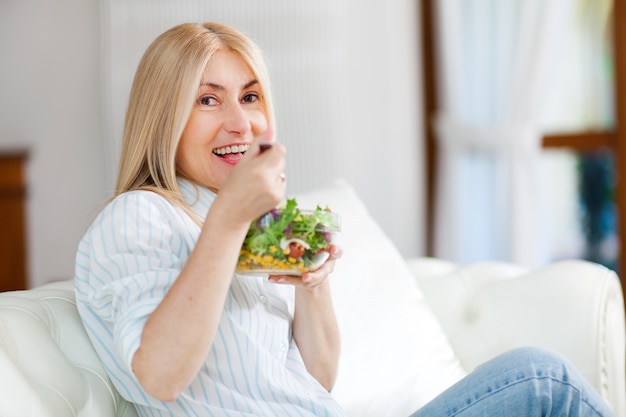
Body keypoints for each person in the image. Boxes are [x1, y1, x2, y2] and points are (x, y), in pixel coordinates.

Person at [74, 21, 616, 417]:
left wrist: (312, 285)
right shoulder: (141, 215)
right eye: (208, 101)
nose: (240, 122)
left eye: (250, 97)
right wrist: (228, 222)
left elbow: (315, 382)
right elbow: (160, 375)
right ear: (162, 117)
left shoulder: (246, 225)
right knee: (542, 380)